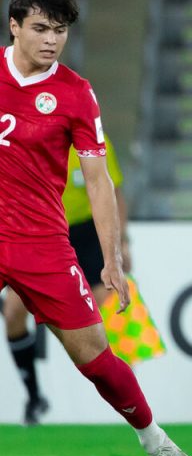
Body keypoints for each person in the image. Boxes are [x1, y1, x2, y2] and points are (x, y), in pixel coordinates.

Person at [0, 0, 192, 456]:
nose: (51, 40)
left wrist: (112, 257)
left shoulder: (75, 93)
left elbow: (99, 181)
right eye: (40, 28)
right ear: (14, 26)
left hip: (42, 243)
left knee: (94, 356)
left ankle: (156, 441)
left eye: (60, 30)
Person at [3, 134, 131, 426]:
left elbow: (113, 191)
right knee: (12, 313)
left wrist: (121, 242)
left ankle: (127, 399)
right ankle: (34, 397)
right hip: (41, 232)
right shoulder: (32, 135)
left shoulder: (94, 139)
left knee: (111, 309)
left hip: (86, 233)